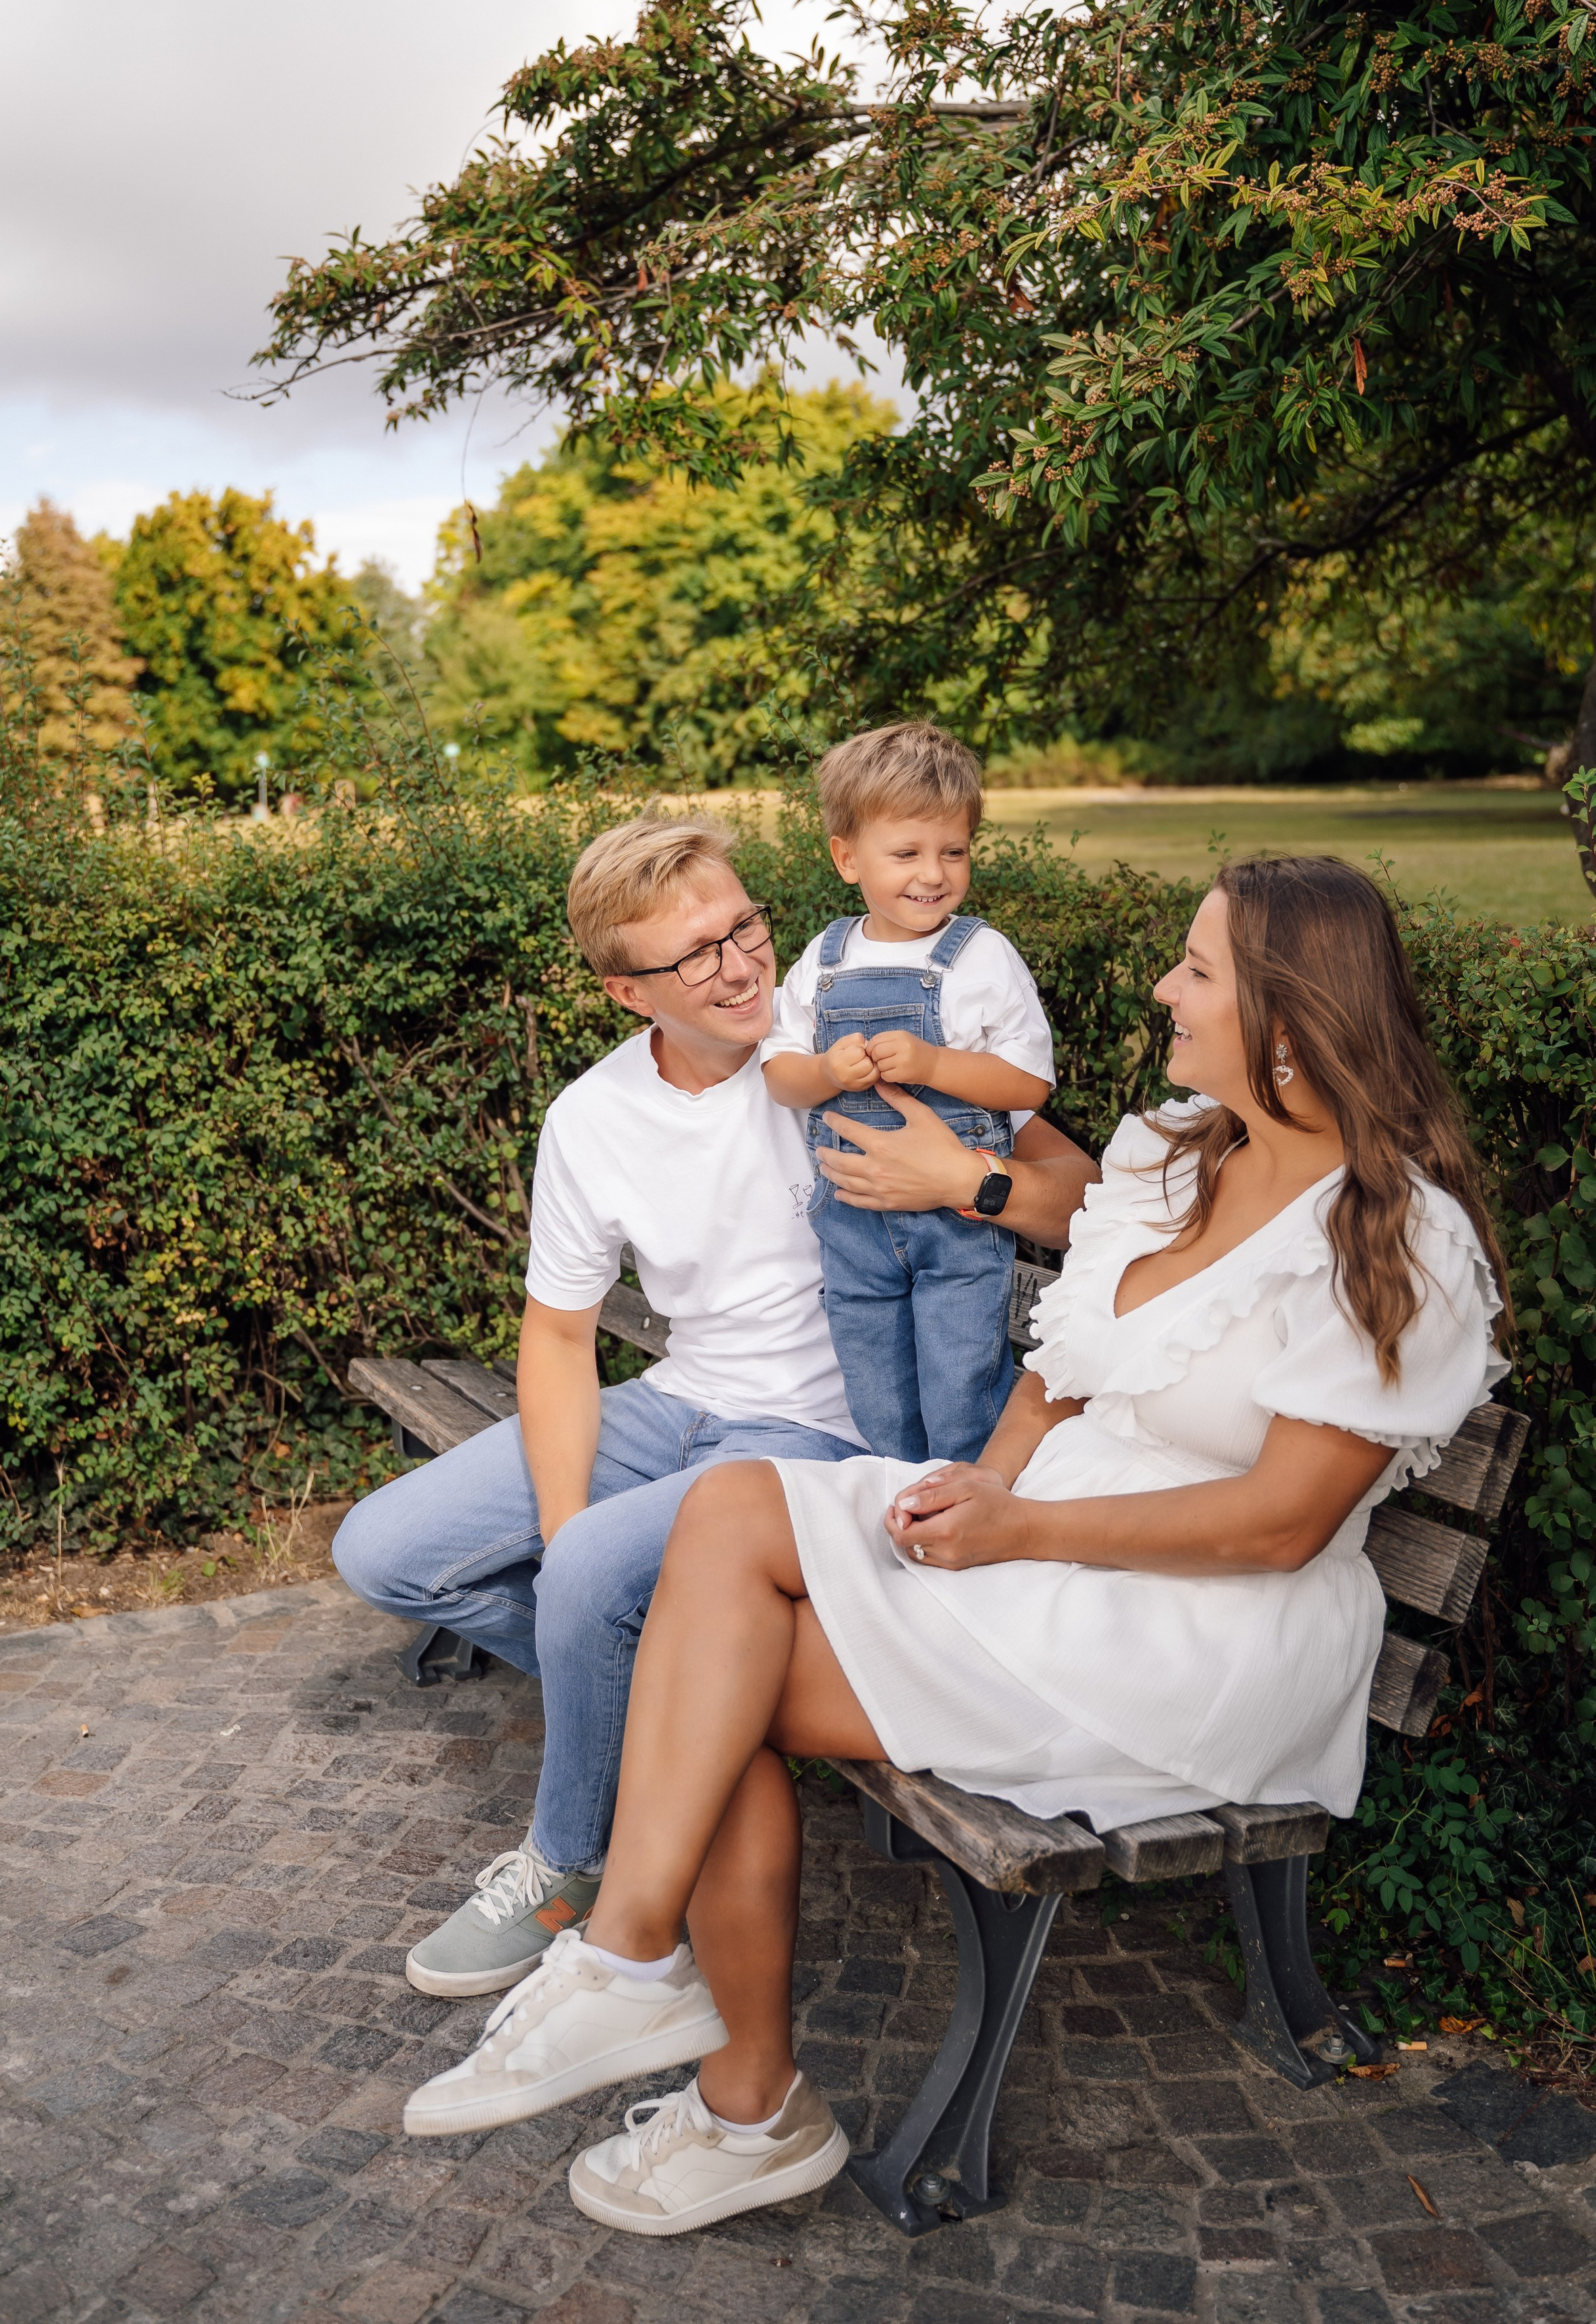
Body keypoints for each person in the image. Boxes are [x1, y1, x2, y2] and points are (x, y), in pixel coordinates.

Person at [400, 854, 1510, 2238]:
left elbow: (1282, 1526)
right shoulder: (1179, 1152)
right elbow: (1057, 1371)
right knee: (728, 1523)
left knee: (714, 1680)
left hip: (1205, 1624)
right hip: (1047, 1539)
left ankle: (727, 2080)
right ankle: (645, 1979)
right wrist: (975, 1488)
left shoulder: (1393, 1236)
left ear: (1289, 1023)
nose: (1162, 988)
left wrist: (1018, 1526)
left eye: (1196, 969)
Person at [332, 813, 1096, 2003]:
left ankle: (569, 1861)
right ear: (626, 992)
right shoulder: (593, 1117)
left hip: (821, 1437)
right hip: (676, 1399)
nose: (742, 968)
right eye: (697, 955)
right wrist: (567, 1525)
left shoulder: (852, 1038)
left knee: (594, 1579)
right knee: (386, 1552)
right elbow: (559, 1335)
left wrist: (969, 1181)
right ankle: (675, 1700)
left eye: (745, 927)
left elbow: (1085, 1198)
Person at [762, 722, 1055, 1466]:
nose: (934, 873)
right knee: (877, 1392)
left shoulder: (980, 956)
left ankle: (972, 1496)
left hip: (956, 1228)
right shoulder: (825, 958)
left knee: (961, 1386)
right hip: (853, 1225)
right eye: (906, 854)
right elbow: (781, 1073)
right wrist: (827, 1074)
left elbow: (1028, 1081)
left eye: (953, 851)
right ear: (846, 858)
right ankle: (897, 1494)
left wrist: (934, 1062)